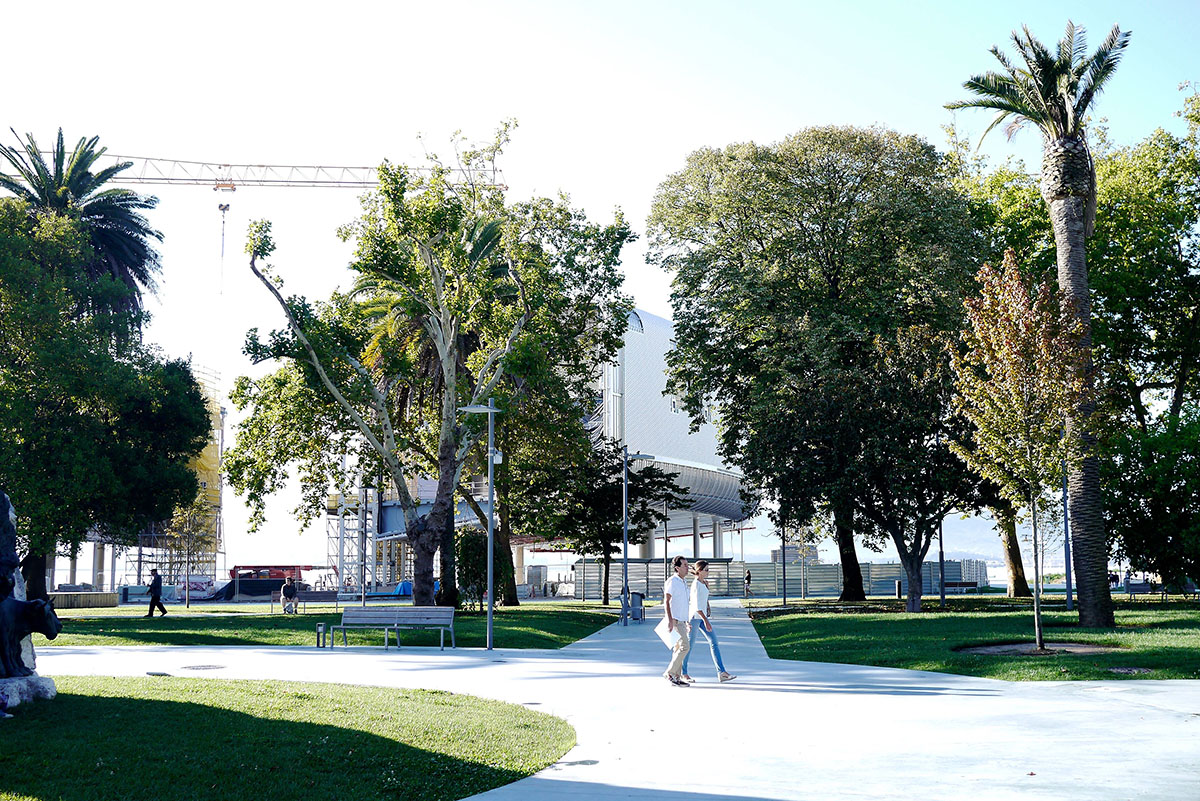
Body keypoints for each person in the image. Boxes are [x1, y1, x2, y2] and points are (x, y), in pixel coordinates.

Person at [681, 560, 736, 683]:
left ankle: (721, 673)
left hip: (702, 616)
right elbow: (695, 605)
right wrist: (706, 620)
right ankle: (683, 673)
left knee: (714, 642)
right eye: (706, 570)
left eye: (708, 569)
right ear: (699, 571)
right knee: (688, 646)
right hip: (695, 618)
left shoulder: (703, 583)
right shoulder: (695, 584)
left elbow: (704, 600)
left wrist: (707, 588)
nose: (708, 572)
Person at [662, 555, 691, 687]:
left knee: (678, 648)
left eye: (687, 564)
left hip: (682, 620)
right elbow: (666, 602)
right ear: (677, 568)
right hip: (674, 620)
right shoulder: (672, 581)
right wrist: (669, 620)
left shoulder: (683, 582)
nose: (687, 567)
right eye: (684, 565)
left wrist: (687, 621)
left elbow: (684, 603)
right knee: (685, 646)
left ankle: (676, 677)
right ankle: (670, 673)